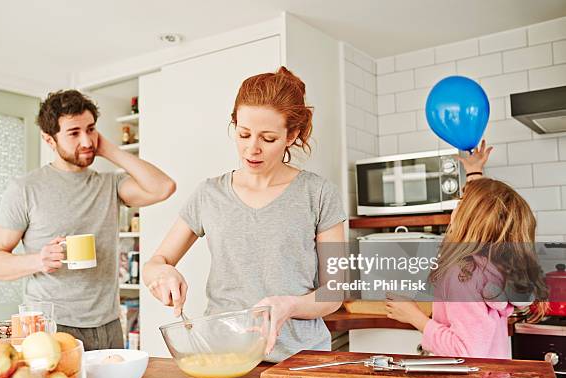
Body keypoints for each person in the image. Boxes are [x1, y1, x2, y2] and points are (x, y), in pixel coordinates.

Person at [142, 66, 346, 362]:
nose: (252, 148)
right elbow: (155, 263)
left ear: (292, 136)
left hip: (301, 359)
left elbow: (335, 293)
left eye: (268, 138)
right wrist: (161, 273)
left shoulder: (318, 193)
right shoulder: (208, 194)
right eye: (244, 134)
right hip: (224, 356)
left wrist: (289, 305)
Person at [0, 90, 176, 350]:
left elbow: (163, 187)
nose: (86, 140)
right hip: (51, 327)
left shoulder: (109, 185)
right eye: (74, 133)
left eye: (91, 129)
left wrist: (107, 149)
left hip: (108, 325)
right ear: (49, 139)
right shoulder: (26, 189)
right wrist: (38, 260)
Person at [386, 141, 547, 358]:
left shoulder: (462, 275)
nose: (456, 205)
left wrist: (414, 317)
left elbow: (466, 350)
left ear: (468, 218)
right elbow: (489, 211)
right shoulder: (496, 263)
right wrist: (474, 172)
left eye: (461, 202)